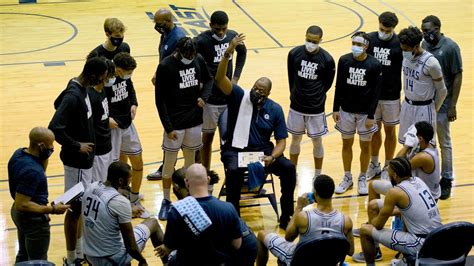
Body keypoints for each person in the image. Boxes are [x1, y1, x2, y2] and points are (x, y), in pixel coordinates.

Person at [215, 34, 297, 229]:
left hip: (262, 153)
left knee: (288, 169)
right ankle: (235, 221)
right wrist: (228, 52)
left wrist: (273, 157)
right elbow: (219, 79)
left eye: (261, 90)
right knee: (233, 171)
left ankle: (287, 216)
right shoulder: (239, 96)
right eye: (255, 87)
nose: (256, 92)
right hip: (236, 150)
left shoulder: (274, 109)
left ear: (267, 94)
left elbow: (281, 142)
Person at [48, 56, 108, 265]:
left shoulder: (78, 85)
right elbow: (54, 127)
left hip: (85, 162)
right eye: (101, 78)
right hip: (77, 163)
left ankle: (81, 253)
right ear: (92, 76)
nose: (102, 81)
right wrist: (77, 144)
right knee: (74, 210)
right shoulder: (74, 95)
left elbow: (58, 103)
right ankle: (72, 257)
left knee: (80, 209)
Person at [154, 37, 212, 220]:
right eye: (187, 54)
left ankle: (188, 199)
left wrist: (204, 96)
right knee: (169, 164)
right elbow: (159, 99)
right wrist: (167, 126)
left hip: (194, 120)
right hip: (174, 123)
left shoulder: (198, 59)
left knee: (190, 164)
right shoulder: (165, 66)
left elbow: (209, 80)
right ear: (178, 51)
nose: (190, 57)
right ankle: (165, 200)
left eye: (192, 54)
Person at [352, 157, 442, 264]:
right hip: (438, 237)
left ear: (394, 175)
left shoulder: (395, 192)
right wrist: (391, 212)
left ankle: (373, 260)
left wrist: (372, 222)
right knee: (374, 205)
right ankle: (403, 260)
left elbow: (378, 225)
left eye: (389, 174)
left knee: (365, 230)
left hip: (420, 243)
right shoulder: (418, 181)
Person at [256, 175, 354, 266]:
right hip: (329, 261)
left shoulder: (303, 217)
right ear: (332, 193)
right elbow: (350, 251)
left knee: (261, 234)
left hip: (300, 261)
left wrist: (298, 207)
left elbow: (288, 238)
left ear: (315, 193)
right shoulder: (346, 220)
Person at [155, 164, 242, 265]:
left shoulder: (177, 211)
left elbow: (169, 247)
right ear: (208, 180)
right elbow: (236, 245)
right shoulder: (228, 208)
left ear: (186, 183)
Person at [83, 161, 165, 266]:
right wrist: (142, 260)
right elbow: (130, 246)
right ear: (121, 180)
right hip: (111, 258)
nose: (131, 180)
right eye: (130, 178)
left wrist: (129, 212)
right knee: (153, 223)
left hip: (90, 254)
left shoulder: (91, 187)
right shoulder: (120, 202)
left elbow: (103, 212)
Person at [171, 167, 257, 266]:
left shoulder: (182, 209)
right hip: (248, 241)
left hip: (235, 245)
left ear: (176, 187)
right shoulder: (209, 199)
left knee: (175, 258)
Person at [8, 127, 70, 263]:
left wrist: (44, 156)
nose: (52, 148)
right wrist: (52, 209)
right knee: (37, 261)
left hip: (19, 215)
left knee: (23, 254)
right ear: (41, 146)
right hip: (32, 219)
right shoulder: (32, 171)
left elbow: (41, 170)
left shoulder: (19, 153)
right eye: (50, 145)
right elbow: (22, 204)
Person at [196, 10, 247, 170]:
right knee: (207, 139)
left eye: (223, 28)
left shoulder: (233, 36)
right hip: (210, 99)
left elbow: (243, 52)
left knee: (229, 139)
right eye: (217, 29)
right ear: (210, 25)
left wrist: (236, 77)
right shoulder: (201, 40)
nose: (221, 32)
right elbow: (193, 58)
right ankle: (206, 172)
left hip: (227, 98)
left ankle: (231, 172)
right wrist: (199, 81)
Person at [332, 31, 382, 195]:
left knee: (365, 146)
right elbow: (338, 85)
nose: (356, 47)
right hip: (346, 111)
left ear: (366, 46)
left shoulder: (374, 64)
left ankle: (361, 176)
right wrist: (335, 108)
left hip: (364, 114)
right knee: (346, 144)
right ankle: (347, 177)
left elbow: (376, 92)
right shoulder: (344, 60)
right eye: (354, 44)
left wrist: (371, 115)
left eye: (359, 45)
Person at [421, 15, 463, 200]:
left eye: (428, 30)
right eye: (423, 31)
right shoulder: (423, 45)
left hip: (443, 105)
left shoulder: (450, 47)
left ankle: (446, 178)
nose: (425, 34)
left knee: (444, 143)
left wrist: (453, 104)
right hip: (425, 103)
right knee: (426, 142)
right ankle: (428, 177)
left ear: (437, 28)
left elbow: (457, 76)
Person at [287, 25, 336, 177]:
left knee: (317, 141)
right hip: (296, 105)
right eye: (308, 40)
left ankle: (317, 174)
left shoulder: (327, 59)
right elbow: (291, 77)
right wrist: (295, 93)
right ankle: (292, 172)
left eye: (314, 41)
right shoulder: (294, 53)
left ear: (321, 40)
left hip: (315, 107)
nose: (310, 43)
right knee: (295, 139)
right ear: (305, 36)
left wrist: (316, 95)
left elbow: (327, 83)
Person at [105, 52, 149, 218]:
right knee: (114, 167)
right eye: (127, 71)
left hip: (127, 124)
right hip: (112, 128)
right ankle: (115, 198)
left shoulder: (126, 78)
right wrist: (106, 118)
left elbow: (131, 89)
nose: (129, 75)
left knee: (138, 161)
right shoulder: (106, 79)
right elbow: (98, 100)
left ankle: (135, 196)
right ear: (117, 69)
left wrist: (134, 104)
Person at [147, 8, 187, 180]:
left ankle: (169, 167)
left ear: (169, 21)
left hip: (176, 90)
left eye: (160, 24)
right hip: (169, 84)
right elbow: (165, 58)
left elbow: (179, 65)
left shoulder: (179, 38)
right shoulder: (166, 33)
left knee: (173, 129)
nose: (157, 27)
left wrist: (163, 76)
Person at [366, 12, 403, 179]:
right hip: (372, 94)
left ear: (393, 29)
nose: (383, 32)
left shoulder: (399, 44)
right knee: (374, 130)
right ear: (378, 24)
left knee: (390, 130)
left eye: (387, 30)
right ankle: (374, 164)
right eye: (381, 29)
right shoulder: (370, 39)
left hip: (391, 94)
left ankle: (389, 165)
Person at [397, 26, 447, 145]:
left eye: (406, 49)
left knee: (424, 147)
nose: (404, 52)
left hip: (424, 108)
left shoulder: (431, 63)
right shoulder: (406, 57)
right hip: (407, 105)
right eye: (402, 49)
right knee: (406, 145)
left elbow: (442, 90)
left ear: (416, 46)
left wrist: (433, 109)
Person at [87, 57, 115, 182]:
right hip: (98, 150)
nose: (113, 78)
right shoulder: (90, 96)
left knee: (105, 182)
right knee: (97, 185)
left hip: (106, 145)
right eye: (111, 75)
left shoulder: (102, 90)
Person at [396, 121, 441, 200]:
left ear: (420, 139)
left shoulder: (423, 157)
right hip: (425, 193)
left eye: (413, 136)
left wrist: (407, 146)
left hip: (425, 198)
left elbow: (395, 166)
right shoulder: (430, 146)